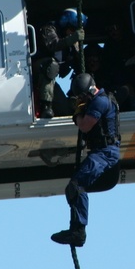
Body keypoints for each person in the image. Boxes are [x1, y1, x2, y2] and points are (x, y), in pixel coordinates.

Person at [50, 72, 120, 247]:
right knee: (74, 187)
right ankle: (76, 229)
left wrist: (78, 112)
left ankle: (78, 232)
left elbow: (85, 126)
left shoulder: (101, 102)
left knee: (76, 186)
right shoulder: (102, 99)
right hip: (101, 151)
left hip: (104, 153)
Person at [32, 8, 85, 118]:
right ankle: (46, 106)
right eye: (72, 29)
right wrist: (72, 39)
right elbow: (53, 45)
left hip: (50, 80)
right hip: (38, 69)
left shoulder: (71, 41)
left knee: (64, 108)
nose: (73, 32)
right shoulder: (49, 29)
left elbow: (78, 63)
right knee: (51, 64)